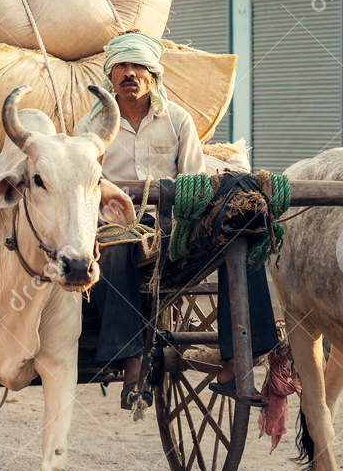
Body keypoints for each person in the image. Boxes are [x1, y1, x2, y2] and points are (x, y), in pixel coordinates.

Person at [80, 31, 278, 409]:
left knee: (241, 233)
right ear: (110, 76)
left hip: (173, 227)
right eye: (121, 66)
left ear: (153, 75)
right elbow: (80, 181)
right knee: (115, 242)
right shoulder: (91, 127)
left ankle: (242, 355)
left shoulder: (177, 120)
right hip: (113, 224)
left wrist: (193, 216)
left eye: (138, 66)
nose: (129, 73)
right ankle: (131, 358)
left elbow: (195, 184)